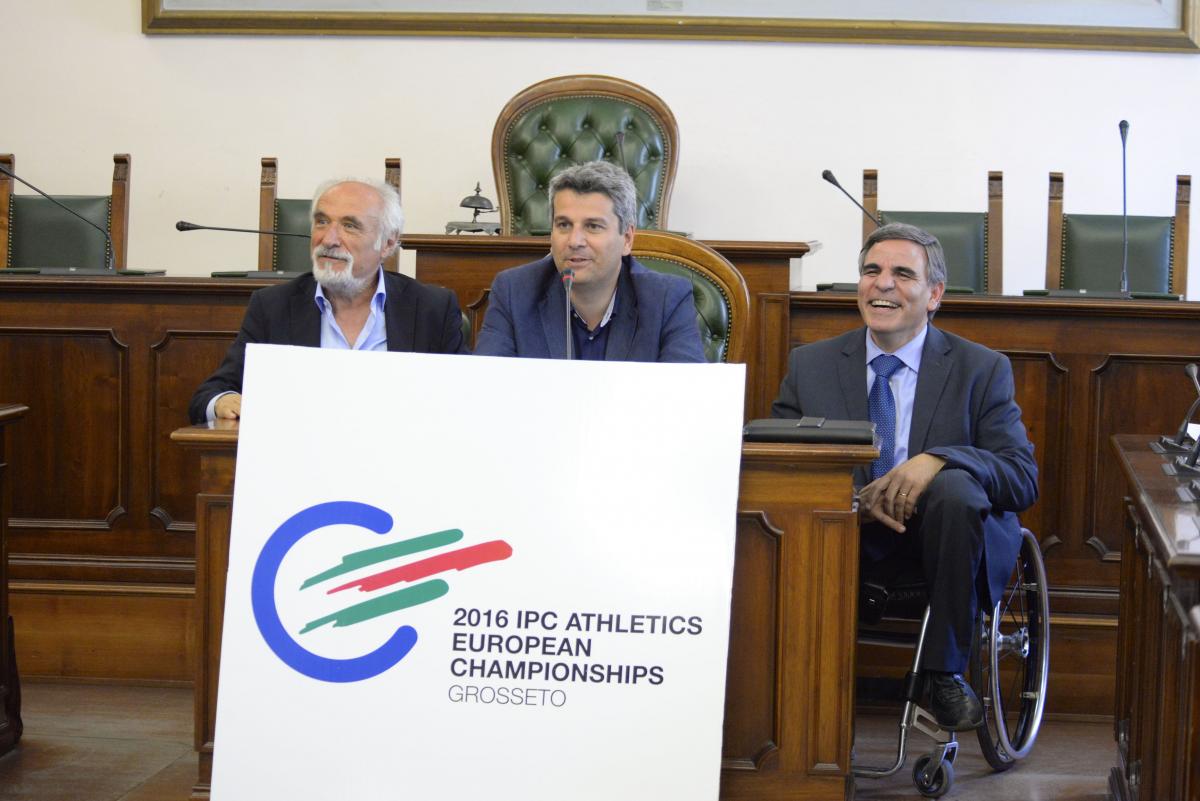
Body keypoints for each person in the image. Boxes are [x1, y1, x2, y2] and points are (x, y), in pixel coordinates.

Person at [771, 222, 1037, 731]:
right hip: (843, 539)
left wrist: (936, 459)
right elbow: (782, 466)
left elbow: (1021, 477)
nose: (883, 284)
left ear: (934, 294)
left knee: (957, 487)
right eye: (871, 271)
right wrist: (854, 499)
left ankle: (942, 674)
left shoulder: (981, 369)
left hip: (948, 543)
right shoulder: (812, 366)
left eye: (902, 274)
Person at [188, 178, 465, 424]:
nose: (328, 239)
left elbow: (465, 401)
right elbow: (209, 396)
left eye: (349, 226)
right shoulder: (273, 306)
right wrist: (223, 401)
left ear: (388, 244)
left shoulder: (432, 308)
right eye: (321, 221)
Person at [473, 160, 704, 362]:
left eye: (593, 226)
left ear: (627, 239)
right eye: (563, 225)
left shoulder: (667, 300)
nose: (575, 241)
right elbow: (488, 392)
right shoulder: (514, 292)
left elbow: (685, 399)